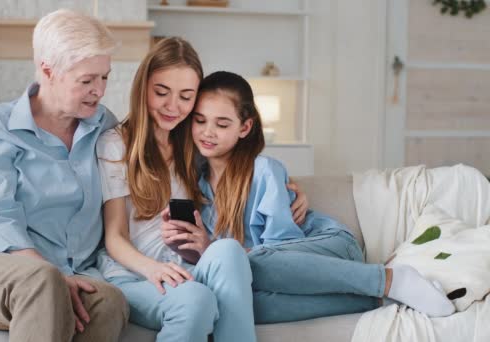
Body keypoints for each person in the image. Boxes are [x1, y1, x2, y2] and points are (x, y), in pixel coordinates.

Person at [161, 70, 456, 323]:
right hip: (272, 270)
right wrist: (194, 249)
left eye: (222, 124)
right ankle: (375, 300)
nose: (207, 132)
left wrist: (215, 249)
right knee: (238, 304)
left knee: (253, 264)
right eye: (200, 121)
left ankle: (389, 279)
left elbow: (281, 253)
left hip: (329, 249)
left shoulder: (264, 170)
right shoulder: (198, 185)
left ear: (245, 127)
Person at [0, 9, 129, 342]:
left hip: (59, 271)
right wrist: (55, 274)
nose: (100, 90)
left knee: (108, 300)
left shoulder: (103, 127)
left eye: (105, 77)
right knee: (41, 280)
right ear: (48, 71)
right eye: (87, 80)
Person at [96, 37, 257, 342]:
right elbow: (114, 236)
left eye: (186, 96)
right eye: (161, 92)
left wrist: (289, 187)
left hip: (182, 268)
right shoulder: (115, 145)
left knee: (228, 250)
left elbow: (242, 157)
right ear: (143, 87)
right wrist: (152, 269)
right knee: (197, 299)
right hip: (134, 274)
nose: (173, 106)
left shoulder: (191, 146)